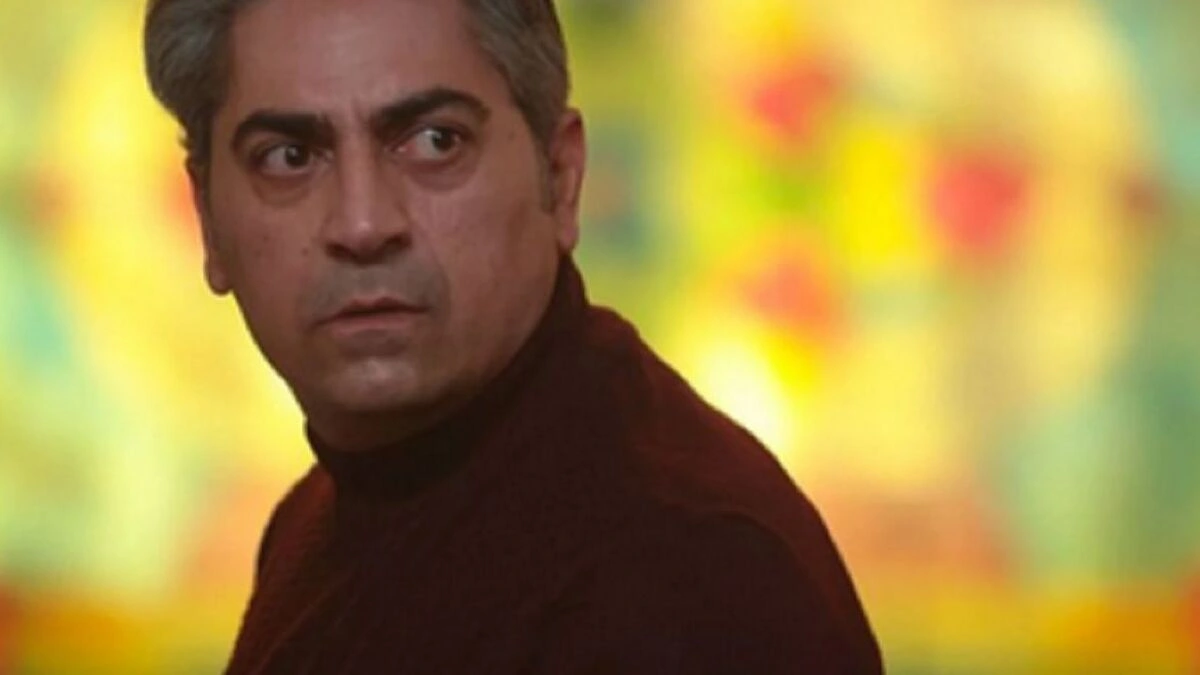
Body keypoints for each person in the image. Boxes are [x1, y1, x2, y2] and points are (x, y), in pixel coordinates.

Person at [142, 0, 883, 672]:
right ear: (208, 219)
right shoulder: (323, 512)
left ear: (559, 177)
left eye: (435, 141)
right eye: (289, 157)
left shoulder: (682, 577)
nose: (363, 224)